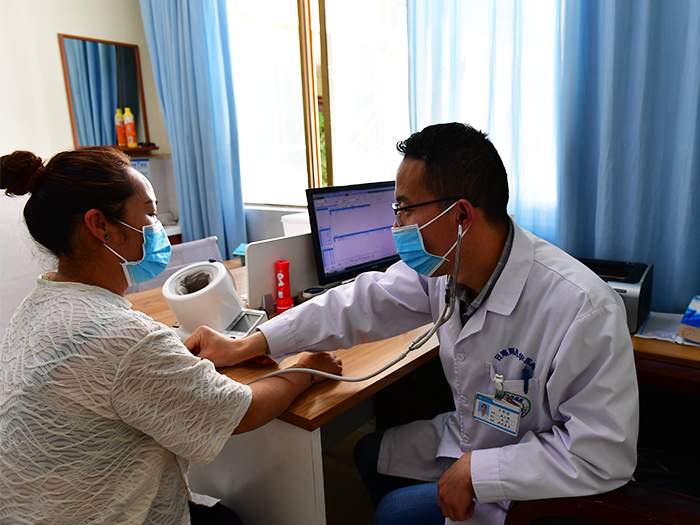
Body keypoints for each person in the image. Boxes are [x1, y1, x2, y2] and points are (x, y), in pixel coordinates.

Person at [183, 123, 639, 525]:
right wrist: (254, 341)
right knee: (370, 453)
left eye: (404, 209)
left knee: (393, 513)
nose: (397, 224)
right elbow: (357, 303)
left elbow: (602, 455)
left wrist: (479, 473)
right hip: (474, 434)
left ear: (461, 215)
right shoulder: (446, 269)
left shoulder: (581, 308)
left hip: (530, 483)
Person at [0, 147, 342, 524]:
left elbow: (94, 374)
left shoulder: (36, 304)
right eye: (150, 213)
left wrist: (174, 359)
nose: (157, 226)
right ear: (101, 225)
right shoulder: (126, 337)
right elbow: (240, 412)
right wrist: (304, 369)